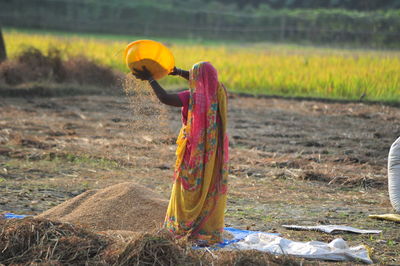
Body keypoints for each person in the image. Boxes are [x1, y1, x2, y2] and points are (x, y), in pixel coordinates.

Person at [132, 62, 229, 245]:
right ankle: (205, 227)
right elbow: (205, 79)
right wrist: (178, 72)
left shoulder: (193, 97)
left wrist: (150, 79)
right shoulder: (219, 92)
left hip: (195, 152)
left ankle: (184, 227)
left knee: (189, 187)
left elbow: (165, 98)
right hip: (213, 153)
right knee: (207, 186)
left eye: (193, 74)